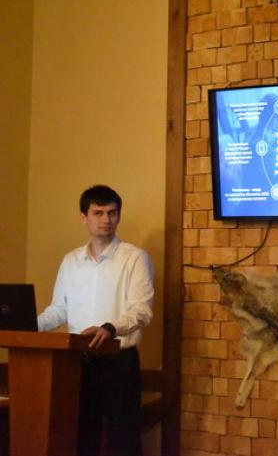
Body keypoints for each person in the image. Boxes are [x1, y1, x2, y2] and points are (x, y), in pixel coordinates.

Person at [37, 185, 154, 456]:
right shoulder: (70, 261)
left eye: (112, 213)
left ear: (119, 216)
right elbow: (59, 310)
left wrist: (110, 328)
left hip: (119, 362)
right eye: (98, 213)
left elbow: (142, 310)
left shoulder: (134, 257)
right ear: (84, 217)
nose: (106, 220)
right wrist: (28, 326)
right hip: (77, 363)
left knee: (124, 441)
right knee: (82, 439)